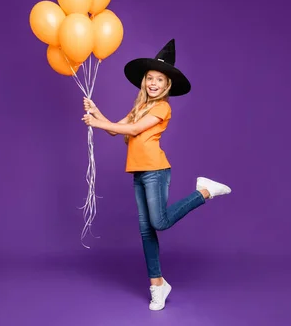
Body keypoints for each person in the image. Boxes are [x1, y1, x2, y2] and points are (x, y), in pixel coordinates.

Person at [81, 39, 232, 311]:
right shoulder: (139, 106)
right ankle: (157, 286)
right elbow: (117, 129)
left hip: (156, 171)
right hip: (139, 172)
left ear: (166, 86)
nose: (153, 83)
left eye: (158, 80)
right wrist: (97, 112)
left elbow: (135, 130)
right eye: (149, 78)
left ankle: (204, 191)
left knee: (159, 222)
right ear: (144, 82)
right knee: (146, 231)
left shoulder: (162, 107)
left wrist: (97, 122)